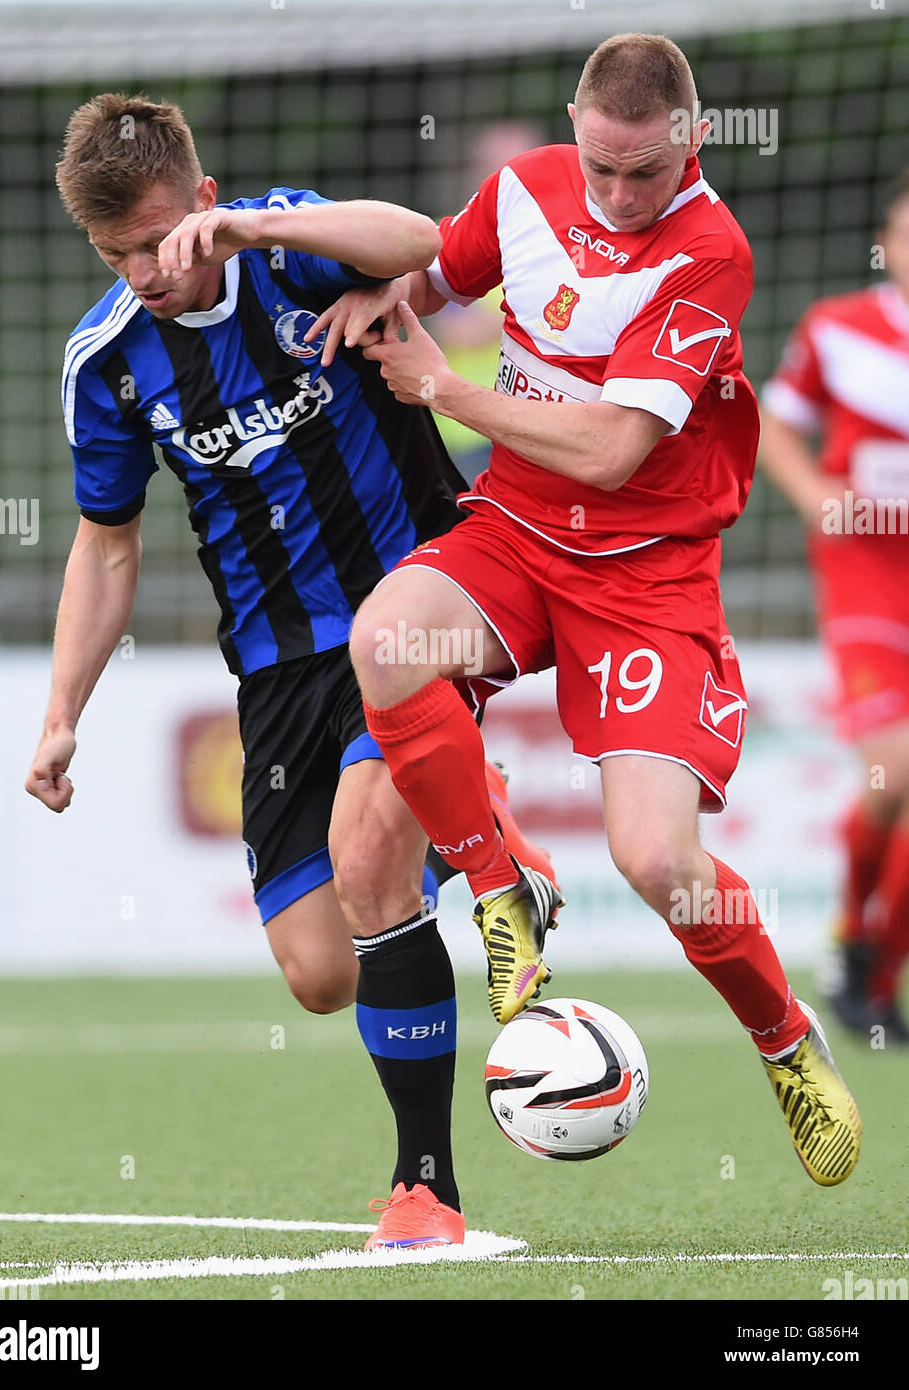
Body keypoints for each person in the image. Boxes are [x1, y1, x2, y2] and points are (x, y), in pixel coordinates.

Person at [313, 32, 862, 1185]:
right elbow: (433, 276)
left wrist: (449, 388)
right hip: (514, 530)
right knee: (388, 642)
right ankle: (500, 883)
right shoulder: (522, 188)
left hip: (647, 572)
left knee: (658, 857)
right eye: (599, 165)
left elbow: (614, 450)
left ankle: (782, 1036)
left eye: (643, 173)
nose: (616, 194)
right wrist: (380, 295)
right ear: (573, 126)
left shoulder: (710, 251)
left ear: (693, 142)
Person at [24, 92, 559, 1249]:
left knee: (373, 868)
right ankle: (487, 824)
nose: (149, 269)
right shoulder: (109, 363)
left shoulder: (287, 246)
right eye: (119, 253)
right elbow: (106, 545)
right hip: (275, 669)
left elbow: (428, 244)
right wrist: (63, 711)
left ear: (205, 201)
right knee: (322, 971)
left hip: (417, 599)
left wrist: (261, 235)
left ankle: (427, 1189)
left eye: (164, 237)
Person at [759, 170, 909, 1045]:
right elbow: (774, 420)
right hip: (863, 575)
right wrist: (814, 490)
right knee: (895, 759)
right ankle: (854, 934)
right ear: (885, 246)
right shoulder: (837, 329)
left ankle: (872, 974)